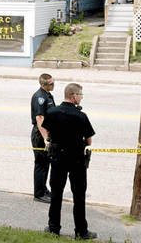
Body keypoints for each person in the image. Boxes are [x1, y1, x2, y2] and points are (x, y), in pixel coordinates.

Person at [41, 83, 97, 241]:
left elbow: (48, 132)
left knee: (56, 195)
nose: (81, 98)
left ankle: (53, 229)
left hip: (58, 158)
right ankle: (81, 232)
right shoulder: (81, 116)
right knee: (79, 197)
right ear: (74, 96)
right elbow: (89, 141)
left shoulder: (52, 112)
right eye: (80, 95)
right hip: (77, 160)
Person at [30, 73, 57, 203]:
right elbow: (40, 119)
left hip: (47, 133)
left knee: (46, 164)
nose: (53, 85)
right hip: (40, 135)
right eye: (50, 83)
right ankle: (39, 193)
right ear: (43, 85)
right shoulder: (40, 97)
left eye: (53, 82)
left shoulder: (47, 94)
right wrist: (46, 138)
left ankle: (43, 188)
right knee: (41, 164)